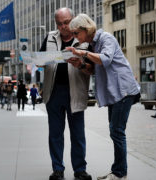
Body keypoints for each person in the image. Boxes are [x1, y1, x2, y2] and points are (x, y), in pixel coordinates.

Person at [66, 14, 141, 180]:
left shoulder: (106, 38)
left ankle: (120, 173)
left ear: (86, 29)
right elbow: (94, 69)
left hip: (123, 90)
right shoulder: (93, 44)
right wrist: (80, 64)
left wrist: (81, 52)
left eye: (76, 33)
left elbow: (105, 60)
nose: (75, 37)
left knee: (117, 131)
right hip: (115, 93)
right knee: (115, 131)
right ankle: (118, 171)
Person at [40, 8, 93, 180]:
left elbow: (92, 69)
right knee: (55, 134)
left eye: (66, 22)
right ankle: (58, 170)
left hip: (75, 92)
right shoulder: (49, 37)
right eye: (59, 23)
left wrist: (81, 65)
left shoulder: (83, 38)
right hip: (53, 92)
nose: (63, 26)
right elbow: (40, 60)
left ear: (73, 19)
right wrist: (39, 61)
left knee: (78, 134)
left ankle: (80, 170)